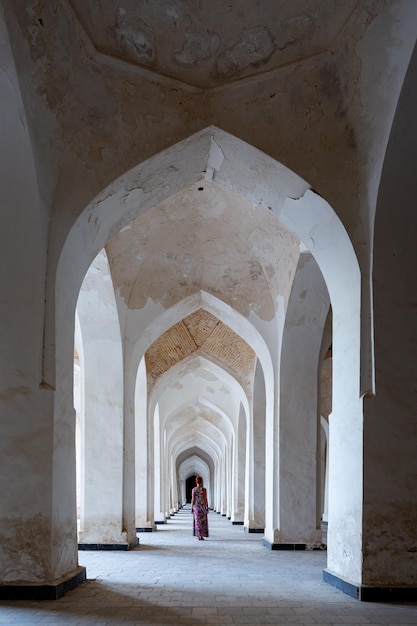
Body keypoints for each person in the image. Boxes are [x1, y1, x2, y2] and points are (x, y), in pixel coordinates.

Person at [191, 476, 209, 540]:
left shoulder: (194, 490)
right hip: (203, 507)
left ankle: (198, 536)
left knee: (197, 521)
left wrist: (191, 508)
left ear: (196, 482)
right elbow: (205, 499)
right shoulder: (204, 490)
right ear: (202, 482)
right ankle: (202, 535)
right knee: (203, 521)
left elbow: (193, 500)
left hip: (196, 507)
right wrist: (207, 506)